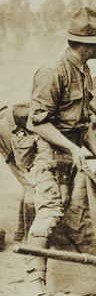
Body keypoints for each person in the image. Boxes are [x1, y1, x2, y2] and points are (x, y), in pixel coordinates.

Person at [25, 7, 96, 296]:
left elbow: (83, 122)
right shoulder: (53, 71)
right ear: (85, 44)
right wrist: (73, 149)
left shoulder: (83, 70)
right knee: (49, 213)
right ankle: (34, 285)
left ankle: (76, 279)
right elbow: (37, 122)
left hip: (71, 157)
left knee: (76, 218)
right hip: (49, 156)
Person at [0, 104, 36, 244]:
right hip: (8, 131)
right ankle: (28, 238)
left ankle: (20, 234)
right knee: (31, 187)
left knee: (27, 185)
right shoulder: (20, 112)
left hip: (7, 134)